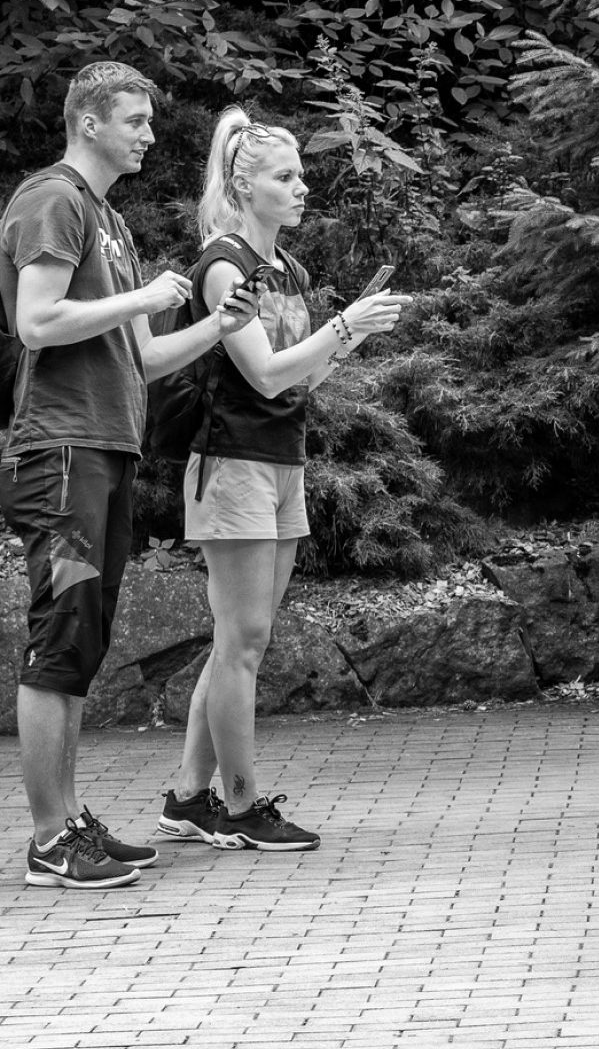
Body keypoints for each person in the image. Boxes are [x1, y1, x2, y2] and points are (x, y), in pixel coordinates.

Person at [2, 63, 259, 889]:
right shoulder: (55, 199)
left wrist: (216, 329)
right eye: (136, 120)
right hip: (61, 449)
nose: (150, 135)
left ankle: (70, 821)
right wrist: (143, 294)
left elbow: (139, 358)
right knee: (61, 637)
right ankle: (49, 839)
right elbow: (35, 321)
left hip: (106, 446)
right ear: (87, 122)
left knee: (84, 644)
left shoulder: (107, 220)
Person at [154, 107, 410, 853]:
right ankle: (238, 805)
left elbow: (304, 378)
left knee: (241, 641)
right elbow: (263, 374)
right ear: (245, 184)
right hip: (231, 461)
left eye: (301, 175)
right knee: (243, 640)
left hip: (279, 459)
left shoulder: (288, 270)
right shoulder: (224, 265)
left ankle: (186, 799)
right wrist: (340, 327)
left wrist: (350, 332)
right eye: (286, 176)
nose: (303, 188)